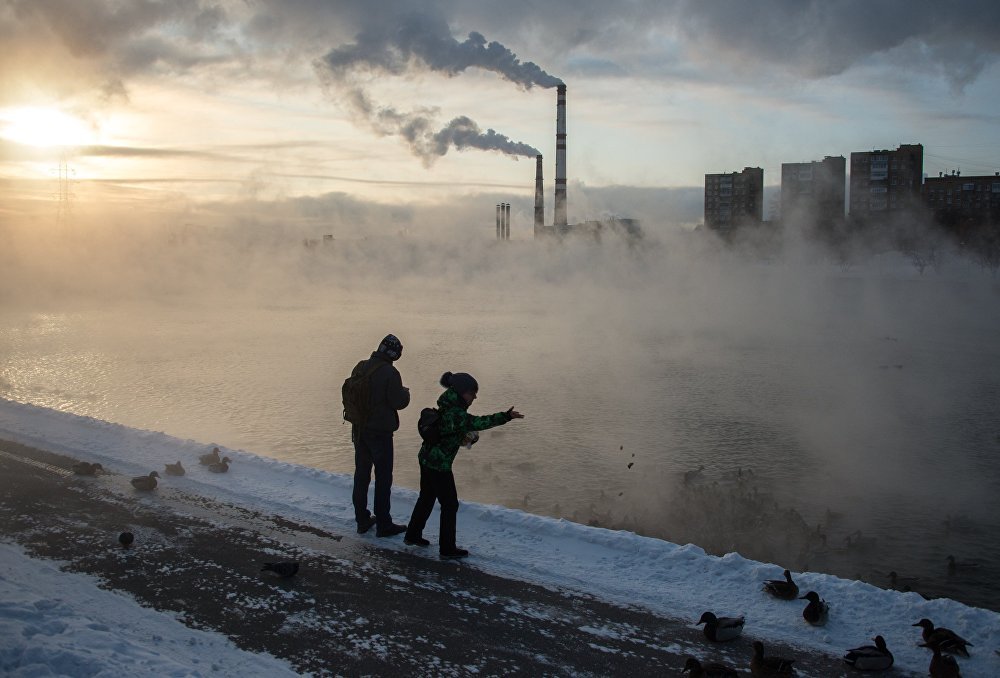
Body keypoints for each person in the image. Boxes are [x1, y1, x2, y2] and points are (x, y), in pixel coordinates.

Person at [405, 371, 523, 558]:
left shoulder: (447, 405)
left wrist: (464, 438)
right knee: (450, 504)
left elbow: (448, 433)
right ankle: (447, 548)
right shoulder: (456, 413)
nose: (475, 397)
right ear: (461, 392)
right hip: (439, 464)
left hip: (427, 457)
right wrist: (506, 416)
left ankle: (412, 535)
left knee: (426, 497)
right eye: (472, 393)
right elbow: (480, 422)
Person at [352, 334, 410, 537]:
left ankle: (362, 520)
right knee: (383, 479)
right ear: (394, 354)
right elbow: (398, 402)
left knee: (361, 476)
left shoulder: (360, 366)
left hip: (359, 430)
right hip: (380, 433)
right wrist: (406, 393)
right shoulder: (390, 372)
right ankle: (384, 524)